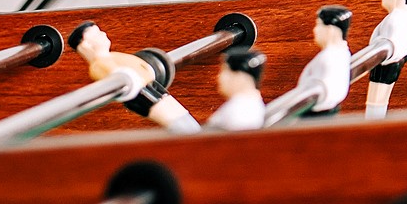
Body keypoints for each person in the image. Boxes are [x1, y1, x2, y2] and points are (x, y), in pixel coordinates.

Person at [66, 21, 198, 132]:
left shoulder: (112, 56)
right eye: (97, 34)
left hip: (152, 87)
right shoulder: (99, 64)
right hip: (143, 97)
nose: (104, 34)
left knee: (183, 117)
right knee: (178, 122)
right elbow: (120, 75)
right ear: (86, 45)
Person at [362, 0, 407, 117]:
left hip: (385, 64)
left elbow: (388, 44)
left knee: (376, 100)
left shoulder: (394, 19)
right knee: (380, 100)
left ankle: (373, 127)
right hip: (393, 62)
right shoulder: (404, 15)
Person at [297, 5, 354, 116]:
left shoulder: (328, 58)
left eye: (318, 25)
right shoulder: (342, 52)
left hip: (316, 111)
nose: (315, 30)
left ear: (330, 30)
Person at [207, 46, 268, 131]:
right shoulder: (249, 104)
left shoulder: (241, 112)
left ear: (240, 76)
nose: (219, 77)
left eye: (225, 71)